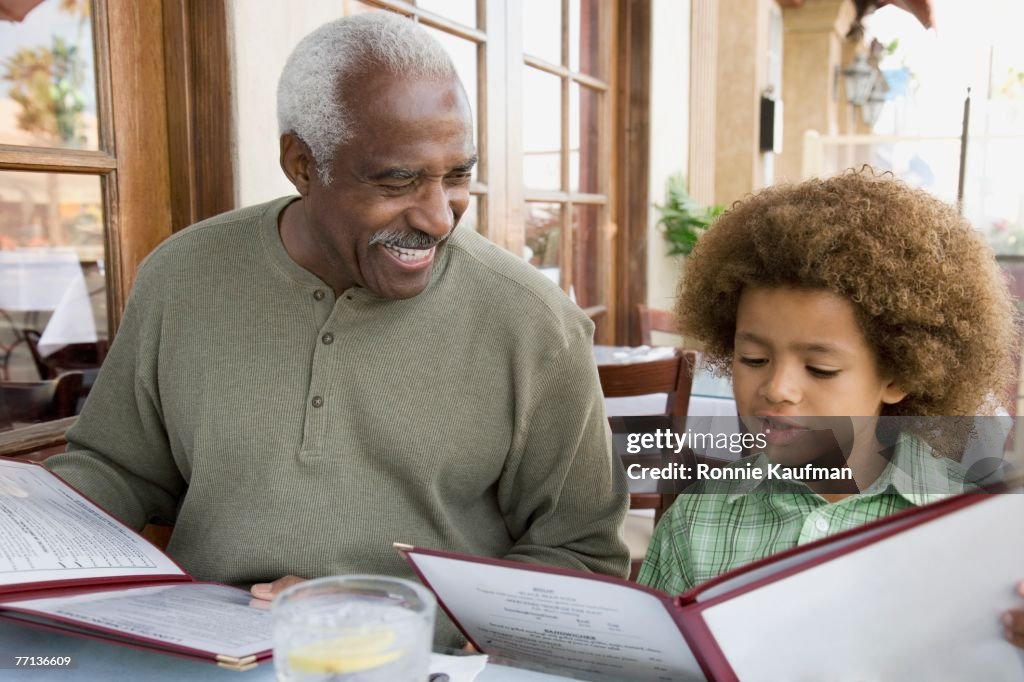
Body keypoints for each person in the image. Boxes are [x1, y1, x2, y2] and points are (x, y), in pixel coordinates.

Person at [44, 12, 628, 646]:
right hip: (199, 651)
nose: (438, 217)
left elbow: (581, 558)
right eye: (398, 179)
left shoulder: (534, 322)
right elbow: (119, 468)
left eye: (457, 175)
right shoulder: (183, 276)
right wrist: (30, 524)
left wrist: (390, 614)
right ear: (301, 163)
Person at [637, 169, 1024, 649]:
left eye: (819, 368)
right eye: (753, 359)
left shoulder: (980, 527)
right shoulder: (696, 520)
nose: (777, 388)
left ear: (900, 374)